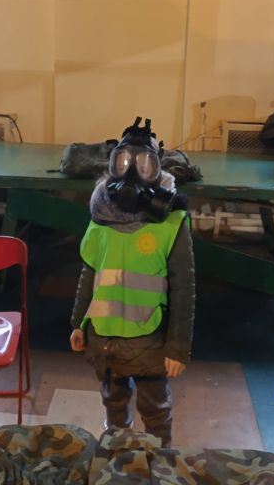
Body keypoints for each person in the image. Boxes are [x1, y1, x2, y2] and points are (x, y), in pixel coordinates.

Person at [70, 117, 195, 448]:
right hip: (105, 338)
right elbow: (89, 273)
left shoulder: (171, 222)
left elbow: (184, 289)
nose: (131, 174)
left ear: (158, 168)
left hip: (149, 342)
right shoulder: (100, 218)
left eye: (144, 165)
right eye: (123, 163)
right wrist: (78, 323)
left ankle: (158, 462)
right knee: (113, 405)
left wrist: (177, 348)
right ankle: (117, 455)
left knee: (155, 409)